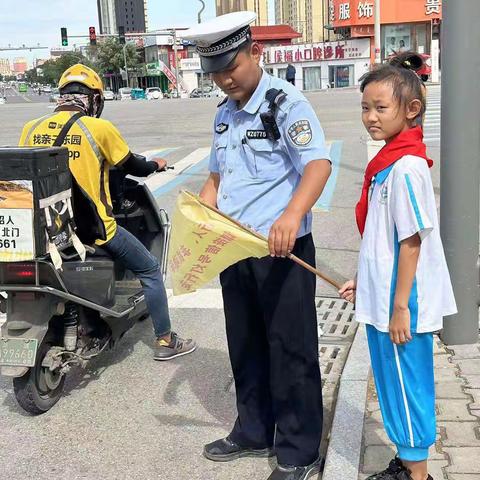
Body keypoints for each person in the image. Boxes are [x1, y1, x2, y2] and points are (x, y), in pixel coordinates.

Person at [183, 11, 332, 480]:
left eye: (231, 66)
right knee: (244, 344)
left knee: (291, 349)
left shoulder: (284, 103)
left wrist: (291, 215)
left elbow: (318, 165)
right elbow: (215, 176)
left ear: (256, 53)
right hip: (235, 249)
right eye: (215, 72)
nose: (224, 78)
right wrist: (200, 217)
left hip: (280, 251)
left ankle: (299, 449)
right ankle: (252, 430)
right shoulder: (224, 114)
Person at [19, 64, 196, 361]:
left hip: (44, 231)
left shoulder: (31, 128)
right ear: (94, 100)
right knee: (150, 269)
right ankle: (166, 340)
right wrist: (157, 165)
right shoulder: (98, 129)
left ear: (62, 96)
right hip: (92, 230)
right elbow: (133, 166)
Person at [339, 61, 457, 480]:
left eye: (381, 108)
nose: (371, 117)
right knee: (393, 387)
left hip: (401, 303)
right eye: (366, 107)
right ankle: (407, 465)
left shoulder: (406, 166)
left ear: (411, 109)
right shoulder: (387, 163)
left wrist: (401, 307)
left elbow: (411, 241)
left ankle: (418, 476)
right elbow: (382, 239)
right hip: (384, 295)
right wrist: (363, 280)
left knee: (408, 391)